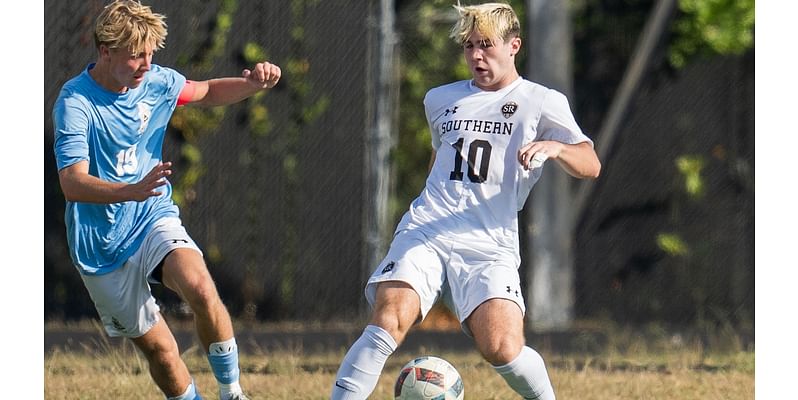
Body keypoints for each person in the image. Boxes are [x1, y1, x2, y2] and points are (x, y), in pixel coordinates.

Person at [330, 2, 601, 399]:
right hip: (428, 228)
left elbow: (590, 164)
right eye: (469, 45)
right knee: (389, 318)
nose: (476, 55)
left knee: (502, 347)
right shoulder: (440, 99)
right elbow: (439, 159)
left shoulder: (541, 101)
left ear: (514, 46)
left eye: (486, 45)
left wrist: (556, 148)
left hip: (490, 240)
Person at [52, 1, 281, 399]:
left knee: (201, 288)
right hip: (100, 246)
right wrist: (129, 190)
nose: (146, 64)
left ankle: (233, 393)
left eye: (151, 54)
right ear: (105, 51)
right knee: (162, 351)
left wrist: (251, 86)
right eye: (135, 56)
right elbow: (72, 183)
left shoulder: (157, 81)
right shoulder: (75, 103)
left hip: (150, 216)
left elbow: (205, 91)